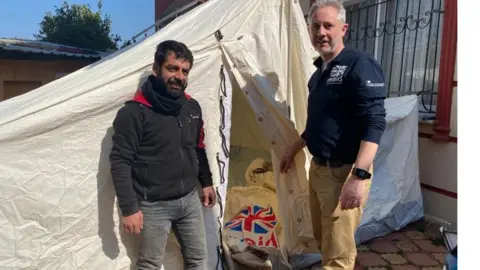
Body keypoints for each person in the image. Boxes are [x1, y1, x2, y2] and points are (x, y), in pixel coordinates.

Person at [280, 0, 386, 269]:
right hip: (318, 171)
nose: (321, 32)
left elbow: (374, 123)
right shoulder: (318, 74)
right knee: (324, 240)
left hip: (345, 172)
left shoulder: (359, 64)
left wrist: (358, 176)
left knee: (338, 254)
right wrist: (293, 149)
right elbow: (319, 123)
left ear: (343, 29)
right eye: (315, 26)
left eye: (328, 25)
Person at [109, 40, 215, 270]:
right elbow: (120, 161)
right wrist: (129, 208)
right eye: (172, 68)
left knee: (198, 260)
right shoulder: (133, 113)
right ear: (156, 69)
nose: (179, 76)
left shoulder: (191, 107)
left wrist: (206, 182)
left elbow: (197, 147)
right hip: (152, 204)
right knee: (149, 265)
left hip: (189, 200)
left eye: (185, 71)